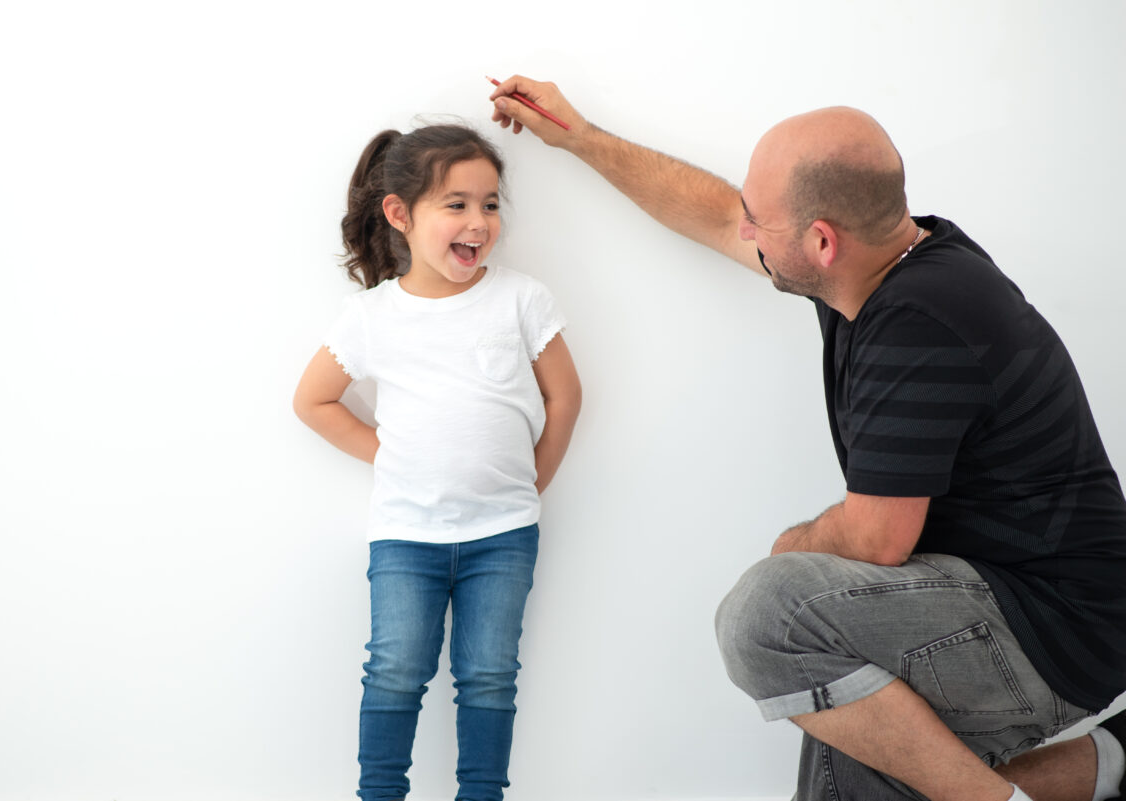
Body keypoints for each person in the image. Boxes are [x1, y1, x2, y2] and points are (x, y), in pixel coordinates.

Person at [488, 77, 1126, 801]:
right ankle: (1105, 765)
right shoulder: (883, 261)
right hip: (990, 597)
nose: (747, 232)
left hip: (1049, 631)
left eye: (761, 222)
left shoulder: (919, 320)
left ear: (822, 241)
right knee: (845, 744)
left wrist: (789, 550)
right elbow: (716, 215)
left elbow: (877, 538)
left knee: (772, 612)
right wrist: (580, 137)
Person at [293, 123, 581, 801]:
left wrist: (532, 480)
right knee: (394, 669)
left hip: (503, 534)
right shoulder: (371, 316)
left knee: (488, 674)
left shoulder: (520, 300)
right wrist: (390, 455)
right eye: (456, 204)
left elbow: (565, 396)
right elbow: (314, 401)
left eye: (489, 203)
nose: (478, 221)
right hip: (406, 536)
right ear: (401, 213)